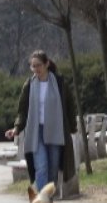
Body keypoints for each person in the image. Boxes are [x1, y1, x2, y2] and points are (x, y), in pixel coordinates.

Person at [5, 50, 76, 193]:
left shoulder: (59, 83)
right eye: (33, 66)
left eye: (38, 65)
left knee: (53, 168)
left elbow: (70, 106)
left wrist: (72, 127)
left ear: (47, 64)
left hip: (55, 131)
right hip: (36, 131)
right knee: (41, 166)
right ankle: (42, 201)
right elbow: (22, 111)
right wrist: (16, 128)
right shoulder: (29, 85)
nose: (36, 69)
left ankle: (48, 197)